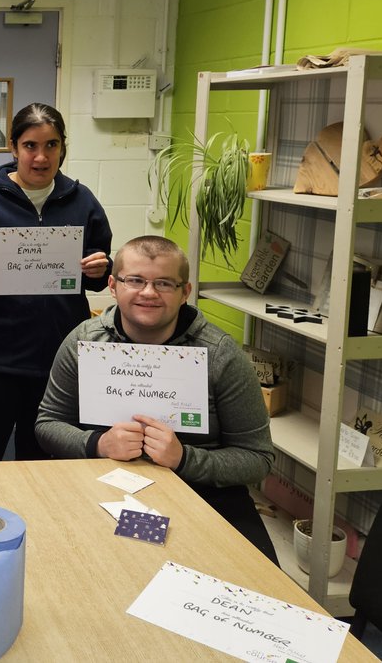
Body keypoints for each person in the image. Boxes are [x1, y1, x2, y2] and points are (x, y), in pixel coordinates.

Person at [35, 235, 278, 562]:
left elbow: (257, 458)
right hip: (102, 488)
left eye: (164, 283)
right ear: (113, 284)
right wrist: (97, 445)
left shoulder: (221, 356)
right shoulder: (83, 343)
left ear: (185, 293)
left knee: (252, 585)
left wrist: (184, 458)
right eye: (134, 280)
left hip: (201, 493)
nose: (148, 293)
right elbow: (47, 424)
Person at [0, 102, 112, 461]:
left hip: (57, 363)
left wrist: (101, 267)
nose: (41, 157)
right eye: (30, 146)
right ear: (13, 147)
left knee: (45, 464)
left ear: (63, 148)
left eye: (51, 146)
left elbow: (101, 271)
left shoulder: (83, 201)